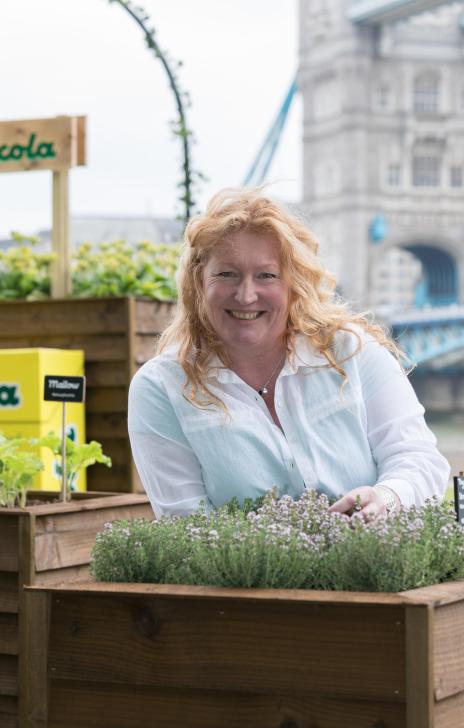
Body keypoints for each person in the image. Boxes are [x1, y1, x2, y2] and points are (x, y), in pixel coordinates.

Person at [128, 187, 450, 520]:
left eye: (266, 275)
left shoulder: (352, 352)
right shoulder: (161, 388)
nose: (246, 295)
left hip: (372, 565)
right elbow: (186, 521)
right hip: (244, 573)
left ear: (293, 284)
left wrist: (386, 498)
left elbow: (419, 459)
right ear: (198, 282)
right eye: (227, 274)